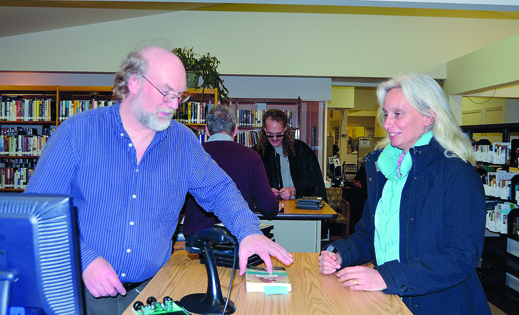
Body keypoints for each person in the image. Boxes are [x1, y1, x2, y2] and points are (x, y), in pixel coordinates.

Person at [24, 46, 293, 315]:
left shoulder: (182, 142)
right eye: (166, 92)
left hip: (151, 291)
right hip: (82, 293)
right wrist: (85, 259)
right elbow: (35, 215)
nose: (174, 105)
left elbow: (220, 190)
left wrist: (248, 230)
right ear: (134, 83)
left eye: (179, 96)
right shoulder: (76, 133)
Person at [318, 73, 490, 315]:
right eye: (386, 114)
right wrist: (340, 254)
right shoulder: (384, 169)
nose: (387, 124)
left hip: (441, 305)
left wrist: (386, 276)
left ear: (429, 117)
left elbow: (461, 256)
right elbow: (369, 235)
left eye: (398, 114)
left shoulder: (457, 173)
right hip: (390, 300)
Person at [182, 105, 280, 239]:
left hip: (198, 241)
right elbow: (268, 208)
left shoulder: (190, 155)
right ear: (235, 130)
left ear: (207, 131)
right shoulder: (251, 157)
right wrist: (276, 204)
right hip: (238, 239)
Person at [253, 109, 327, 202]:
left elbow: (315, 183)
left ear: (285, 129)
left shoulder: (301, 150)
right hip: (270, 210)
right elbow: (249, 185)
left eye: (279, 135)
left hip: (299, 209)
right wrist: (265, 192)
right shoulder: (256, 153)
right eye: (270, 135)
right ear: (264, 129)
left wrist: (294, 190)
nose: (274, 139)